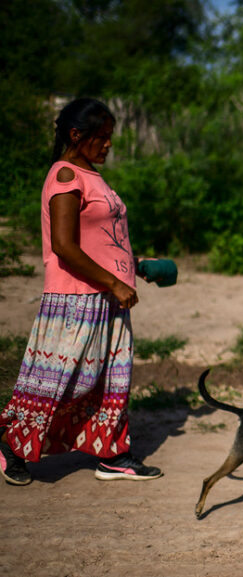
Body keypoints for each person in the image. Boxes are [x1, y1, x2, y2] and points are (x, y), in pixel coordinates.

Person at [0, 98, 163, 486]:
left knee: (111, 380)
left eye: (110, 137)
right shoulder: (65, 177)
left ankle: (111, 455)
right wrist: (112, 281)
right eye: (101, 137)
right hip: (77, 299)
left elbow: (100, 240)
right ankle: (10, 446)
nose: (108, 144)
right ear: (77, 135)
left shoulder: (92, 176)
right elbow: (64, 246)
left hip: (110, 299)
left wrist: (136, 265)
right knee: (59, 379)